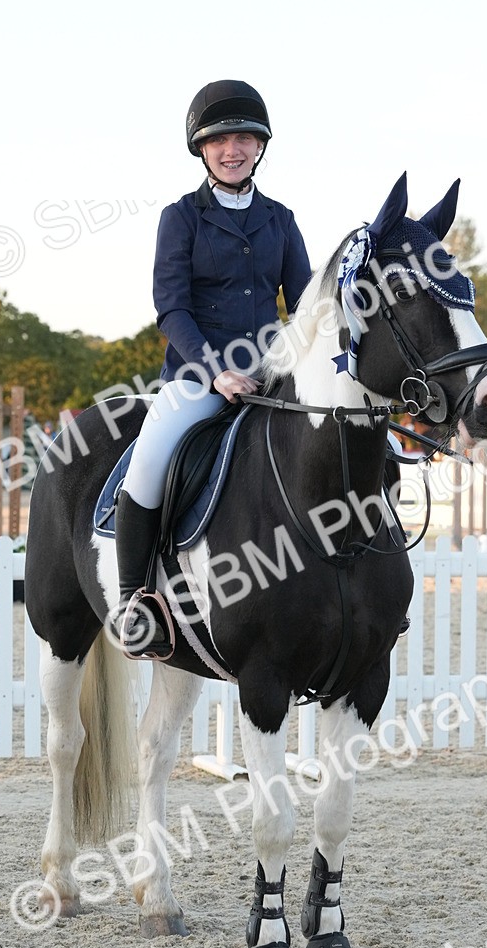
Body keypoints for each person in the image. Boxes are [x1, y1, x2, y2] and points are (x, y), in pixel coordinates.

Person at [116, 79, 311, 657]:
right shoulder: (181, 218)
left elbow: (303, 305)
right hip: (199, 378)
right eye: (221, 139)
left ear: (259, 147)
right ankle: (135, 601)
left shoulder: (280, 219)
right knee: (149, 459)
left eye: (245, 138)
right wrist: (216, 372)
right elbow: (171, 308)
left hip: (272, 377)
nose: (234, 149)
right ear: (202, 149)